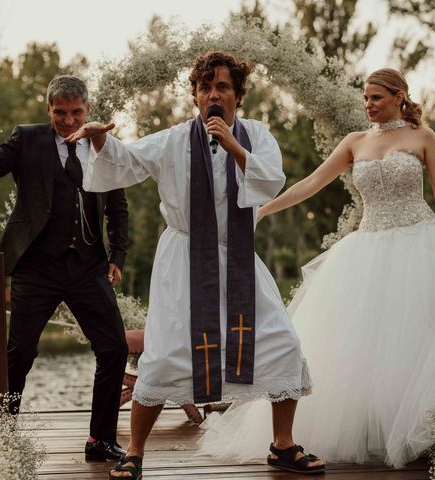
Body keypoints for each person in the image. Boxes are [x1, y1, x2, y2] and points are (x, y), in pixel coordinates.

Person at [197, 68, 435, 467]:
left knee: (419, 336)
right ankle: (369, 427)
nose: (368, 105)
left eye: (376, 98)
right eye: (365, 99)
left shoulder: (423, 137)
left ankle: (426, 428)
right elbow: (312, 182)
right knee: (363, 341)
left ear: (399, 97)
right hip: (367, 248)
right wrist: (264, 209)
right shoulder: (355, 142)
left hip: (419, 243)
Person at [67, 51, 324, 479]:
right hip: (184, 261)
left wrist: (232, 144)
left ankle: (282, 445)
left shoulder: (256, 135)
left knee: (282, 344)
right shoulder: (172, 140)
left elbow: (270, 180)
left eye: (222, 86)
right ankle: (135, 452)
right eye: (205, 87)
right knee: (165, 355)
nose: (213, 94)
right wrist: (98, 140)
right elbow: (126, 161)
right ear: (195, 96)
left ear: (238, 95)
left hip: (239, 257)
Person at [0, 75, 130, 461]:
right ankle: (2, 435)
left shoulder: (104, 144)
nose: (68, 120)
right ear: (47, 109)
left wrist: (117, 256)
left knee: (114, 348)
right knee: (20, 351)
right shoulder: (28, 138)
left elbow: (118, 207)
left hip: (87, 266)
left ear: (87, 109)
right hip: (37, 265)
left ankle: (100, 439)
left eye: (76, 112)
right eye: (59, 112)